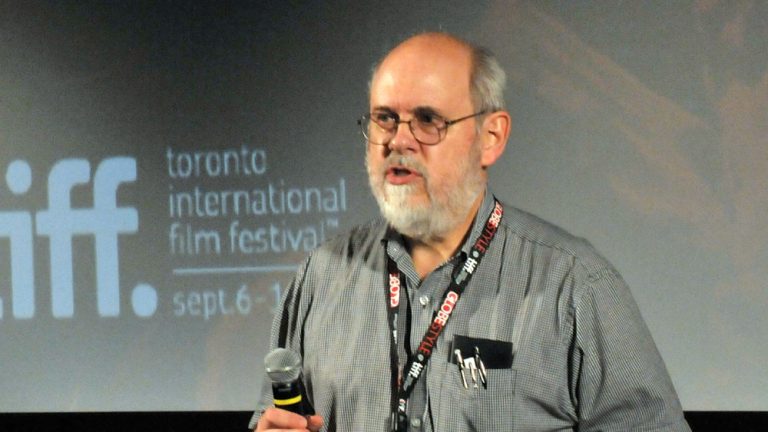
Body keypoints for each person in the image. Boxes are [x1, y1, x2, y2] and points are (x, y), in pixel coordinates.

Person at [252, 32, 690, 432]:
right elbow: (273, 417)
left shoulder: (573, 282)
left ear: (491, 137)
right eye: (385, 119)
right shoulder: (321, 276)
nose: (399, 141)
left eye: (428, 120)